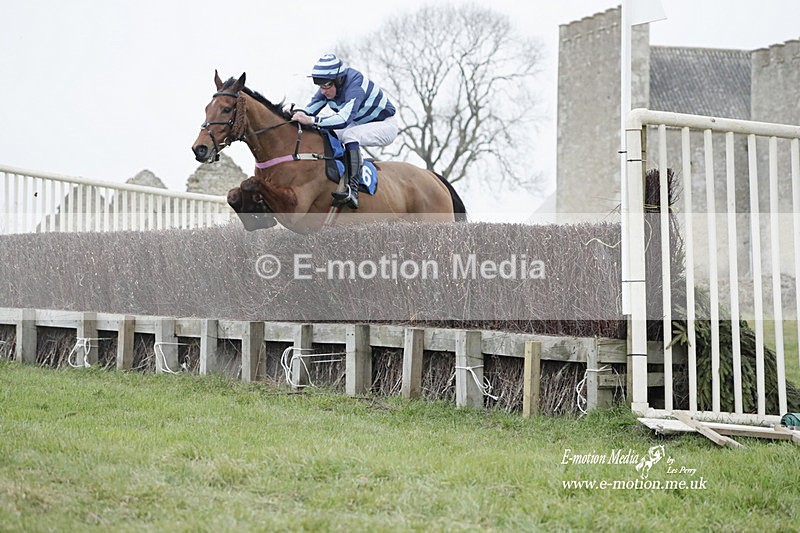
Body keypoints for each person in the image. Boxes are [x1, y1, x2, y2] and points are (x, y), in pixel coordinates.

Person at [292, 53, 398, 209]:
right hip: (358, 123)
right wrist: (294, 114)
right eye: (320, 86)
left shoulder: (355, 85)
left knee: (349, 135)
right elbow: (309, 111)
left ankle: (352, 190)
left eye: (326, 85)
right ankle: (338, 174)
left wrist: (312, 120)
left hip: (385, 125)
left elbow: (343, 119)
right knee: (327, 133)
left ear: (339, 80)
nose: (323, 91)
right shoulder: (327, 88)